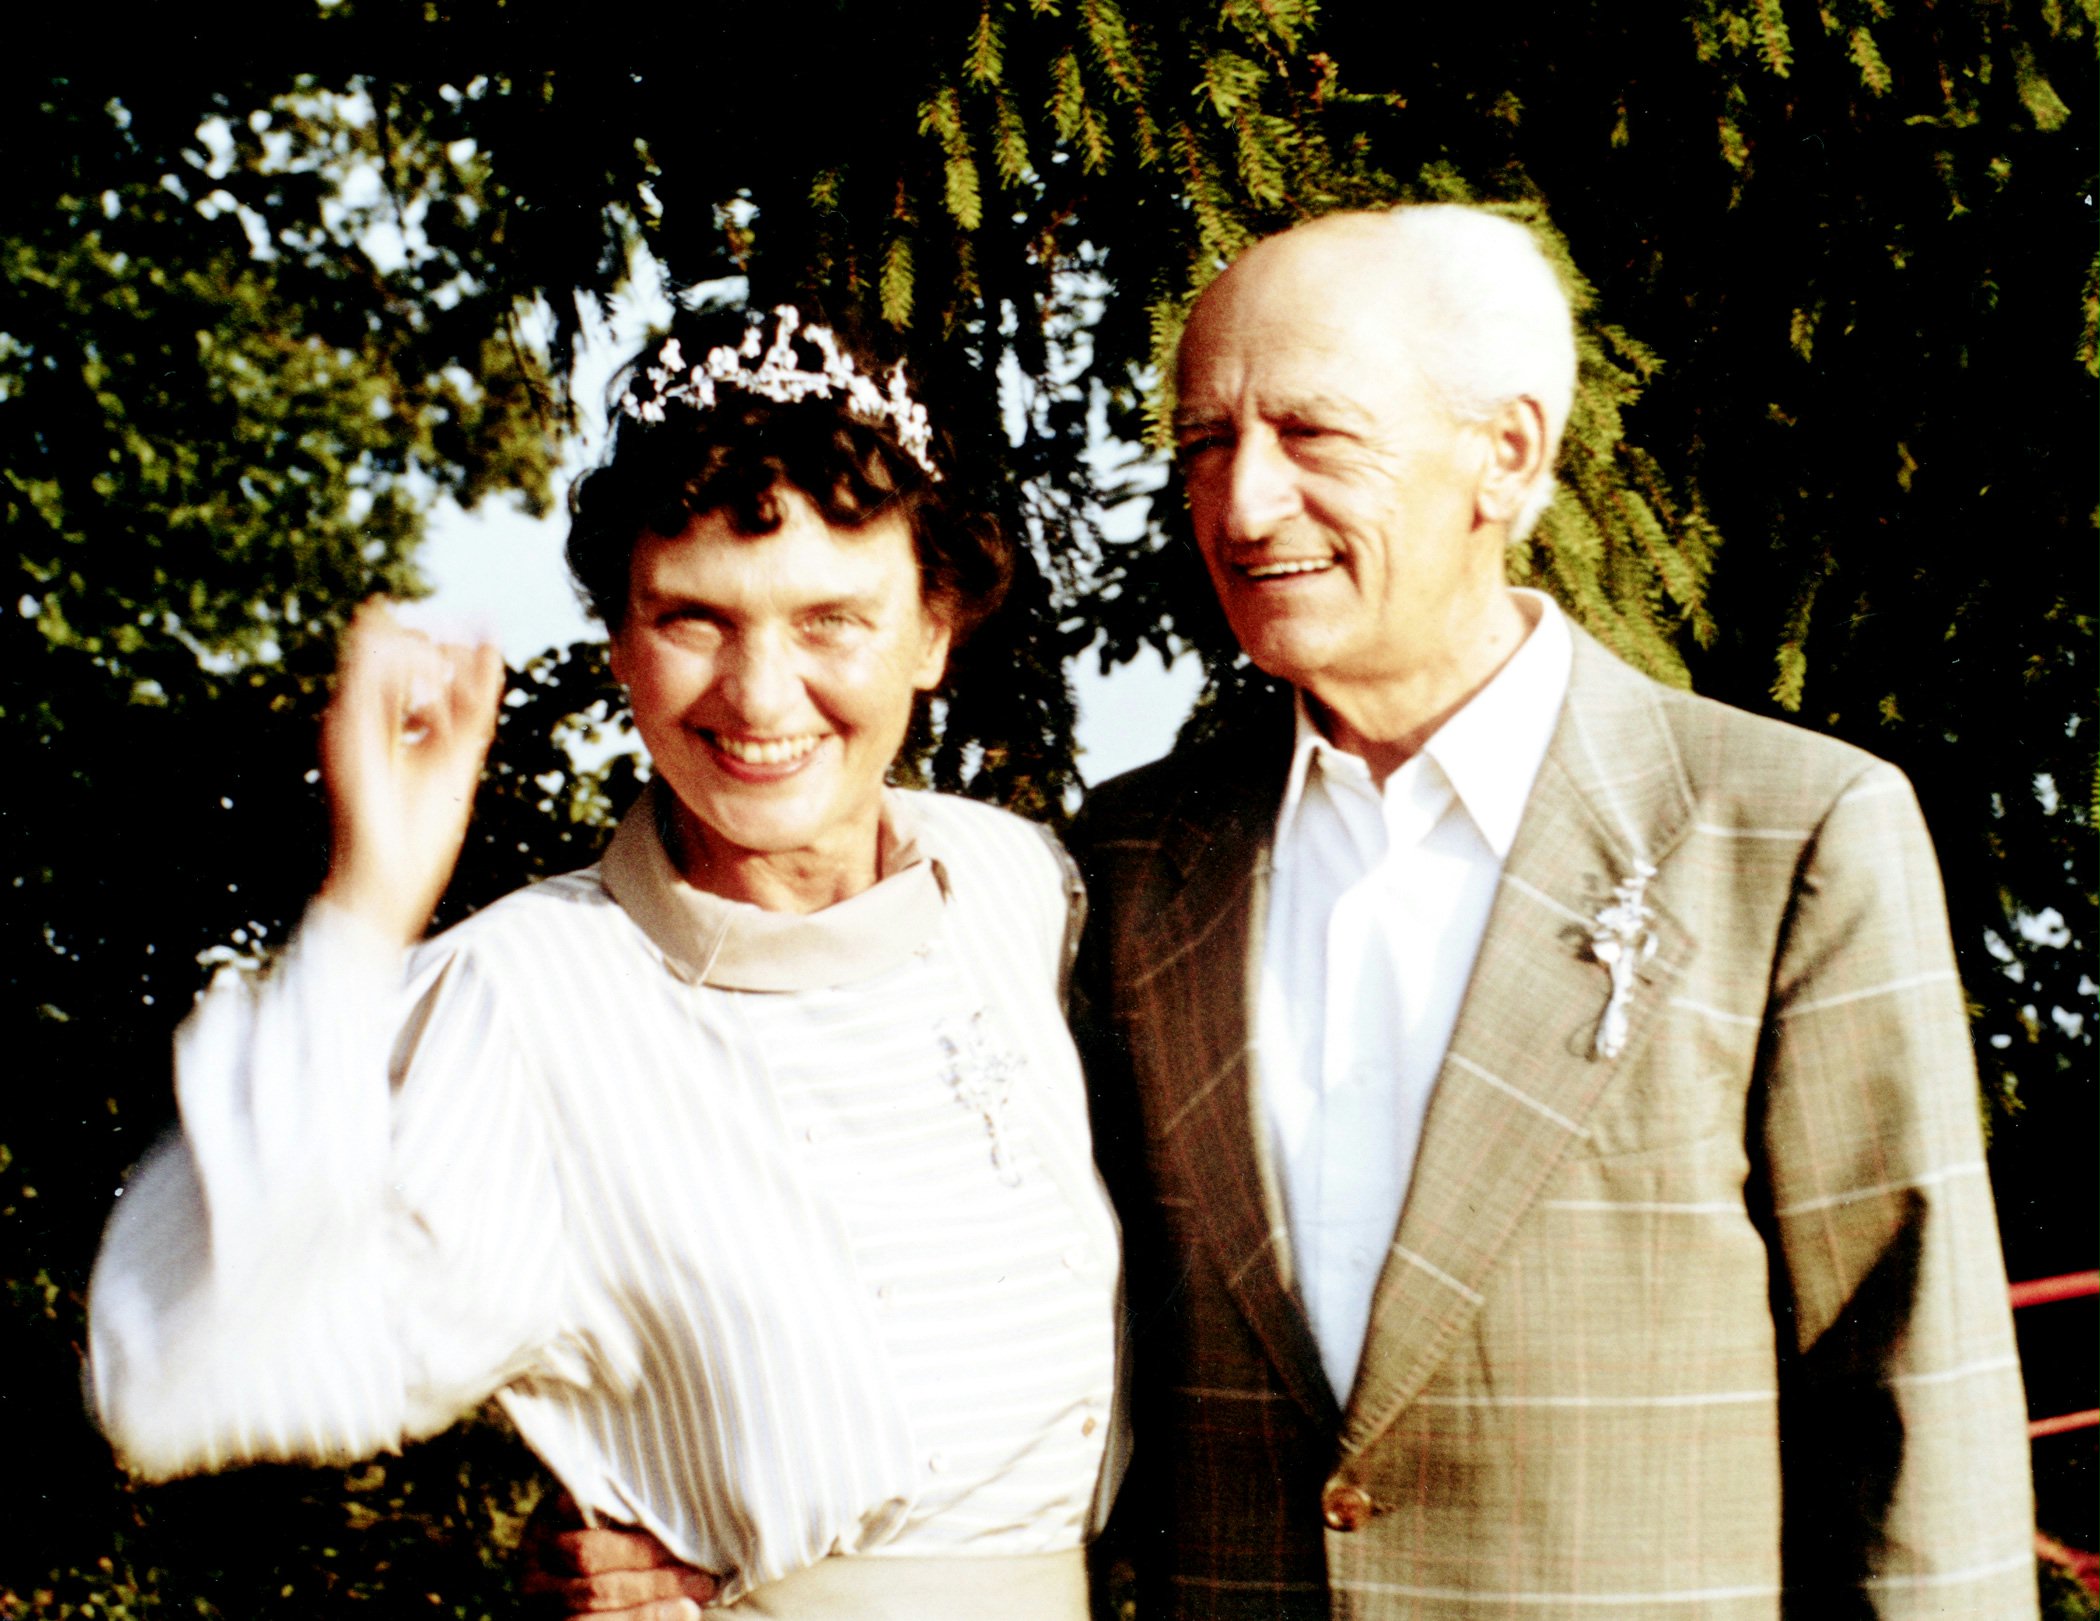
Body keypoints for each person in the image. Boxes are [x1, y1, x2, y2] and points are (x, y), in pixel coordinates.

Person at [527, 206, 2040, 1620]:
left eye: (1311, 433)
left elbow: (1920, 1405)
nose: (1242, 502)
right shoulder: (1117, 865)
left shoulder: (1787, 834)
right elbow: (937, 1254)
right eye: (1206, 441)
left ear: (1507, 457)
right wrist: (685, 1515)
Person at [88, 304, 1124, 1621]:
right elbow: (172, 1369)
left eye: (831, 619)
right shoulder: (523, 1002)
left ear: (932, 632)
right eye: (693, 618)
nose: (757, 696)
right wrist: (368, 905)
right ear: (622, 644)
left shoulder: (1016, 887)